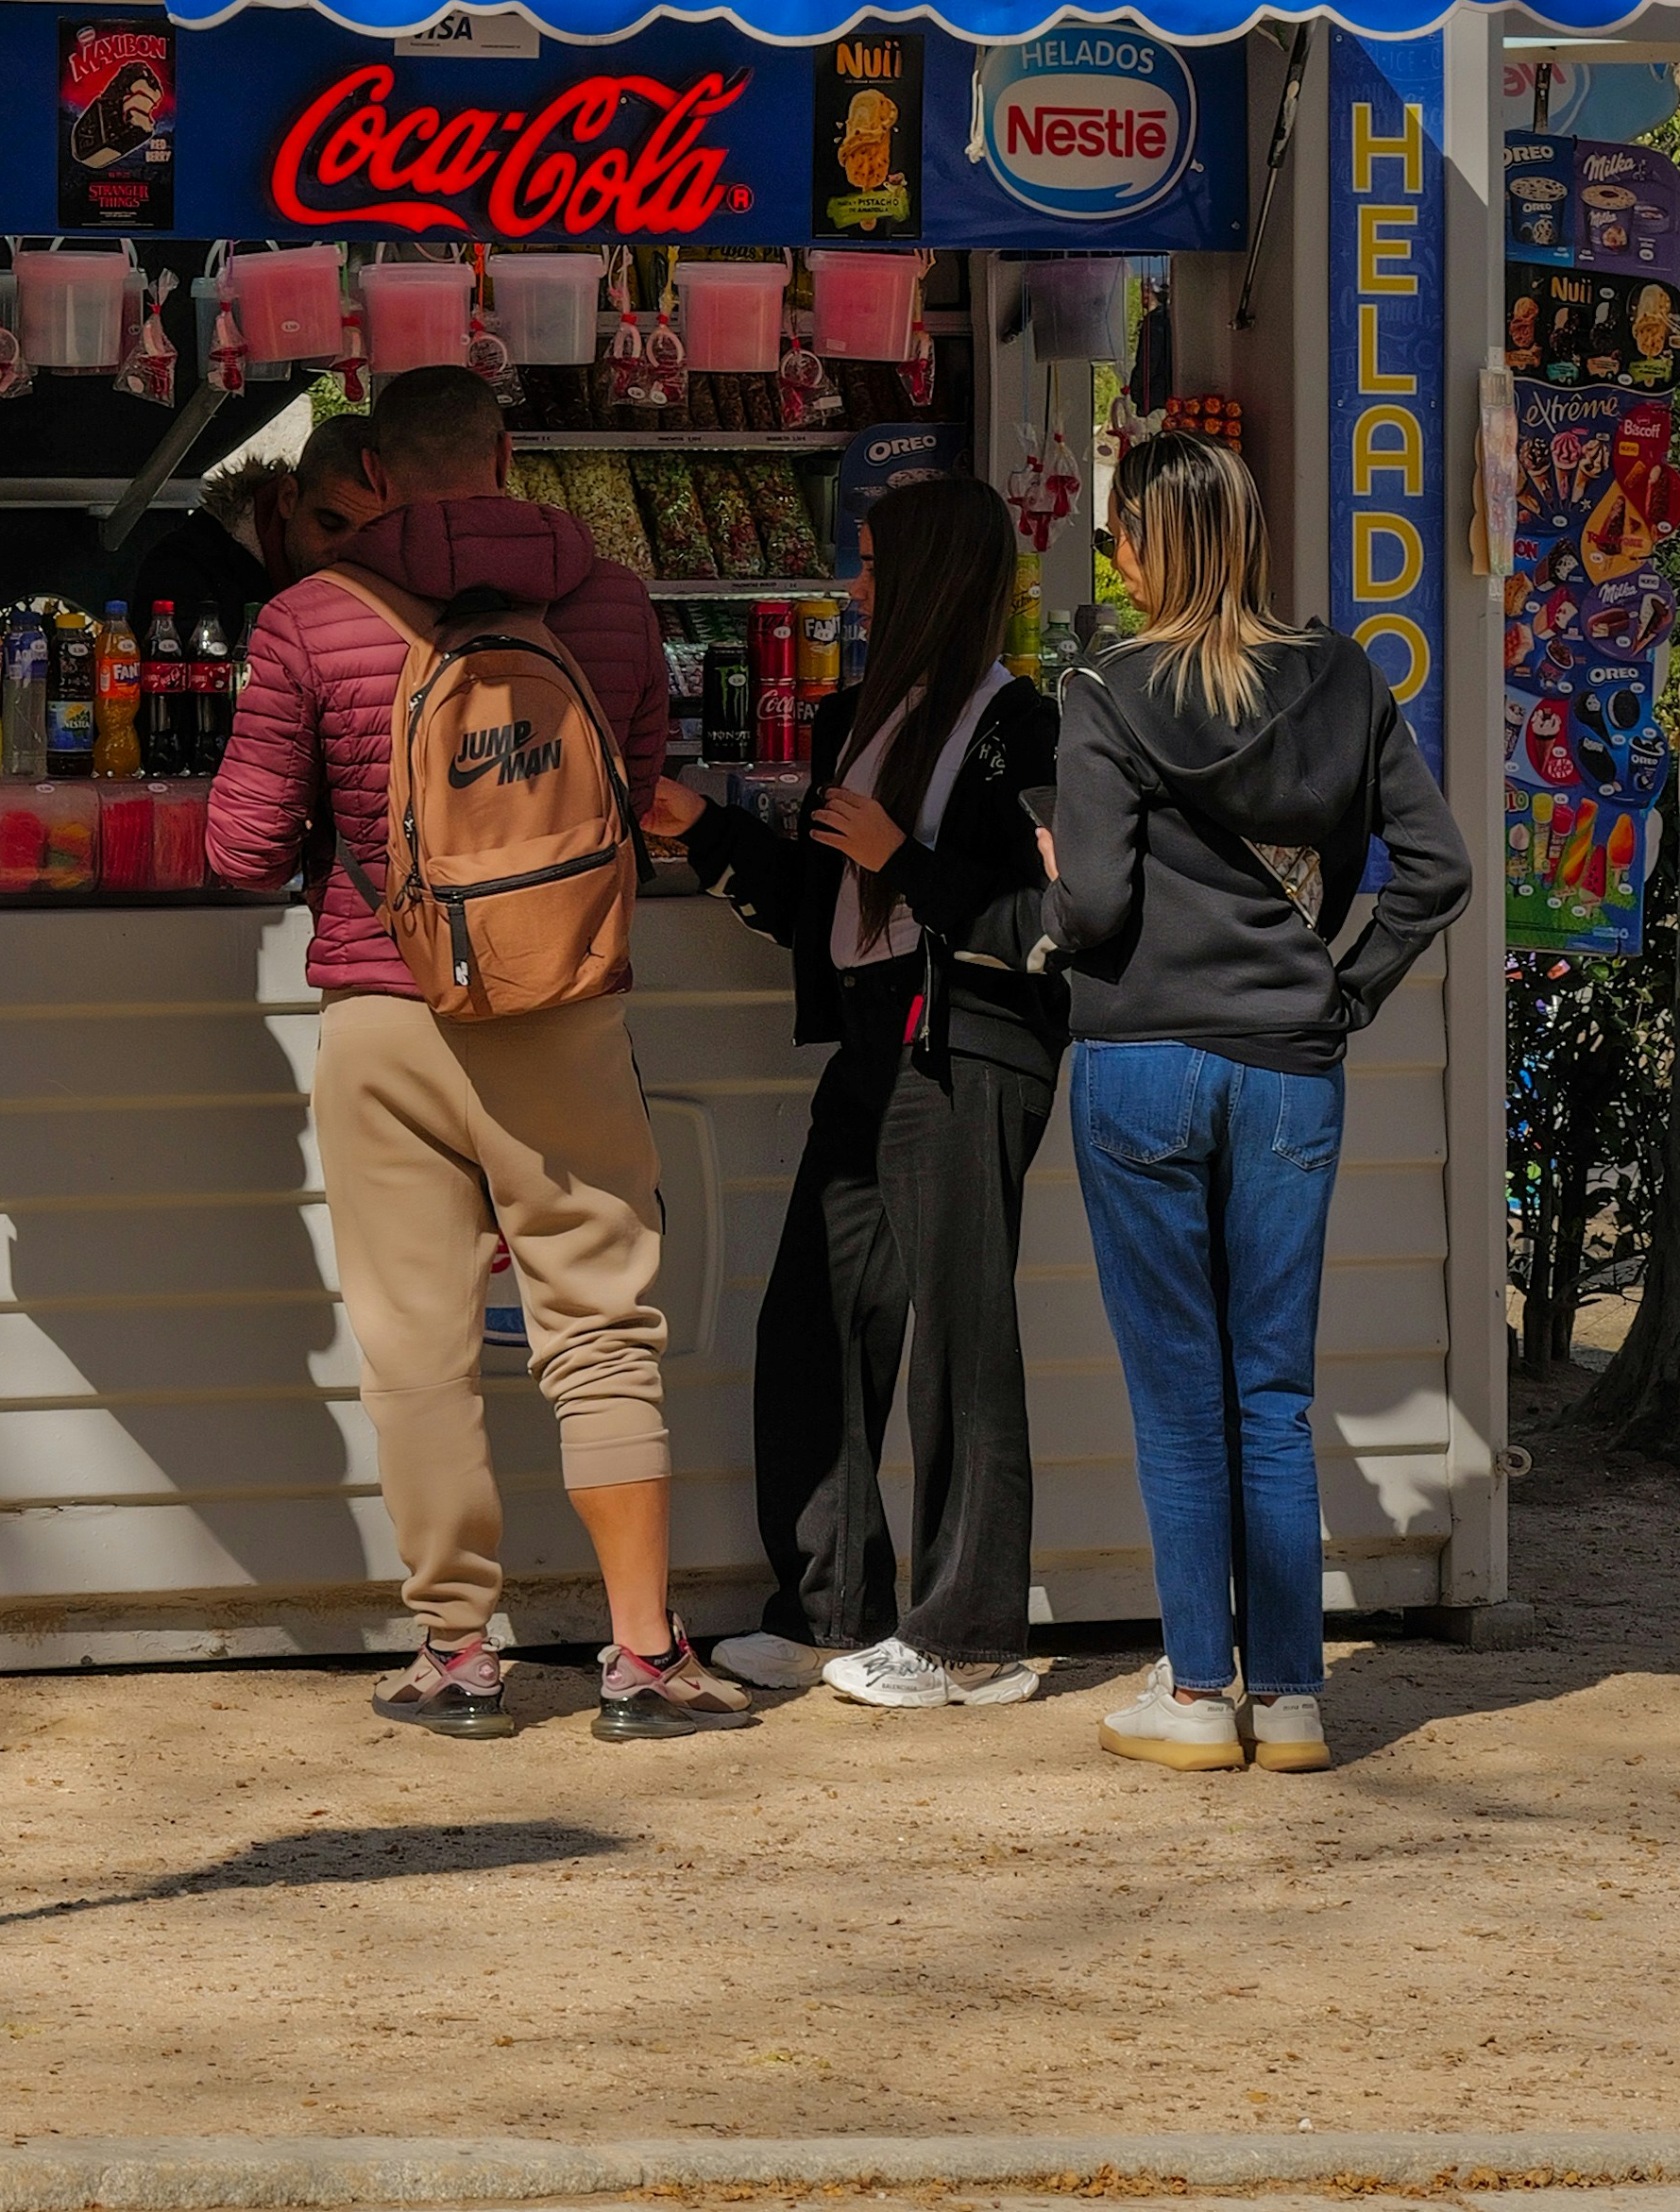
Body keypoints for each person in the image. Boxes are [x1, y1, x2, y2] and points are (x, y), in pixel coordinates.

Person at [202, 362, 729, 1743]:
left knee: (415, 1344)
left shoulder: (309, 619)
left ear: (374, 477)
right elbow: (636, 777)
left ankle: (458, 1652)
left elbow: (241, 848)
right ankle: (641, 1657)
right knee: (602, 1321)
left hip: (385, 1011)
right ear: (505, 455)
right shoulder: (611, 602)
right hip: (559, 1005)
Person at [1052, 414, 1471, 1774]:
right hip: (1292, 1065)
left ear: (1145, 546)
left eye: (1120, 526)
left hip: (1141, 1061)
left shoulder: (1106, 689)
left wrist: (1048, 877)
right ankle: (1290, 1699)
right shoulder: (1343, 677)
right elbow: (1437, 867)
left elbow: (1098, 903)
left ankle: (1195, 1693)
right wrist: (1344, 987)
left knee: (1180, 1399)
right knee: (1272, 1393)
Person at [645, 466, 1062, 1708]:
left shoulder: (1018, 726)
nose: (853, 584)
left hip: (970, 1047)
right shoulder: (859, 718)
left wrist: (908, 862)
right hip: (874, 1049)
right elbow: (819, 909)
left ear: (932, 577)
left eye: (875, 564)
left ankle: (972, 1640)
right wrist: (704, 832)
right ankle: (833, 1606)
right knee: (811, 1321)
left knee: (960, 1343)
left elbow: (1049, 921)